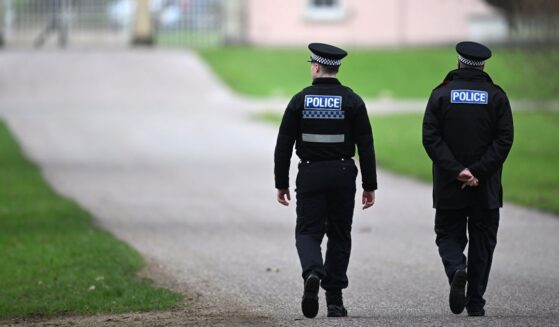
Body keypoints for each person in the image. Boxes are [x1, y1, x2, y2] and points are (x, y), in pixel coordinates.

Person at [274, 43, 377, 318]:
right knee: (339, 234)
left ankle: (312, 272)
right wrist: (370, 185)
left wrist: (281, 182)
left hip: (310, 174)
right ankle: (334, 301)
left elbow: (283, 144)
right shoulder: (352, 101)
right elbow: (366, 145)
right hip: (343, 174)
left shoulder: (300, 100)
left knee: (308, 232)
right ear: (336, 68)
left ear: (316, 67)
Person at [422, 41, 514, 317]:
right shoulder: (497, 96)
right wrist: (479, 171)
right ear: (483, 65)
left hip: (451, 184)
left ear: (459, 62)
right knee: (483, 242)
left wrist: (457, 170)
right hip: (485, 186)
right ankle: (475, 302)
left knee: (448, 233)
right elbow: (504, 139)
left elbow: (430, 138)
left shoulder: (441, 94)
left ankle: (456, 269)